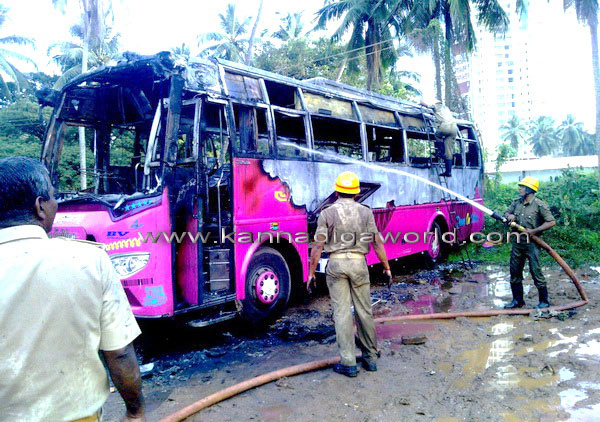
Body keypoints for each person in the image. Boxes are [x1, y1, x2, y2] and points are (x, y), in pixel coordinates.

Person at [0, 157, 145, 422]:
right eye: (54, 196)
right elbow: (120, 354)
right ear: (40, 207)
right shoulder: (90, 260)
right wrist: (135, 413)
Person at [307, 171, 392, 377]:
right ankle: (370, 359)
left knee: (342, 313)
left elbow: (317, 245)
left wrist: (311, 273)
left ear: (336, 192)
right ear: (356, 193)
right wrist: (386, 267)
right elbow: (377, 242)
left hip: (336, 264)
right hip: (358, 263)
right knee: (364, 311)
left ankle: (348, 363)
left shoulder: (327, 213)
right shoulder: (365, 212)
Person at [503, 176, 556, 309]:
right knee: (515, 271)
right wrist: (509, 216)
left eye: (522, 187)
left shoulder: (539, 205)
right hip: (517, 243)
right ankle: (517, 300)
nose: (520, 189)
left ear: (530, 189)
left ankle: (544, 301)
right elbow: (507, 212)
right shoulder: (516, 202)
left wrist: (534, 231)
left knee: (536, 271)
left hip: (532, 244)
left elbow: (551, 222)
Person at [421, 99, 458, 177]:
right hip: (454, 128)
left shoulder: (436, 106)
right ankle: (448, 172)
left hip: (445, 126)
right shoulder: (446, 108)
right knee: (449, 151)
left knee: (437, 135)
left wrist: (421, 103)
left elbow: (426, 105)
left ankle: (441, 152)